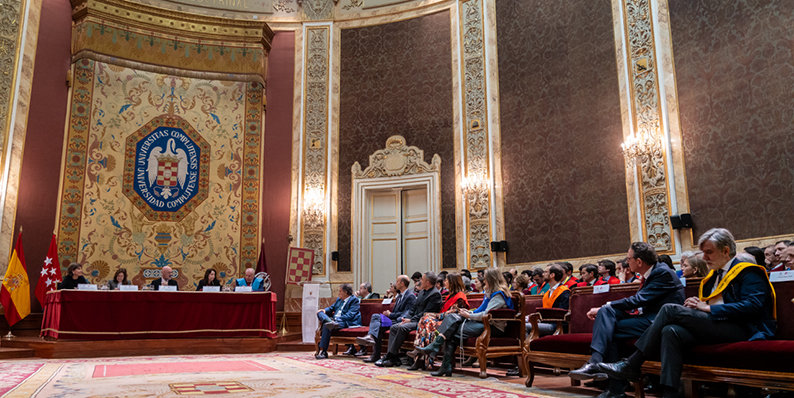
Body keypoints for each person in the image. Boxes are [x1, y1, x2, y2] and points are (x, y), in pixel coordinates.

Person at [596, 228, 776, 398]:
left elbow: (752, 307)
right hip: (717, 325)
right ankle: (669, 394)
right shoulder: (714, 275)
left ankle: (632, 364)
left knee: (668, 309)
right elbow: (713, 302)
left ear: (726, 251)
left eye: (708, 252)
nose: (704, 257)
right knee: (670, 331)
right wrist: (698, 305)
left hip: (744, 329)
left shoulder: (749, 272)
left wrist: (708, 308)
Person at [568, 242, 685, 398]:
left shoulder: (662, 273)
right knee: (606, 313)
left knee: (609, 329)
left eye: (628, 258)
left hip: (658, 322)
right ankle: (596, 364)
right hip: (645, 317)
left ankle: (613, 387)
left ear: (639, 262)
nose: (626, 262)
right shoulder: (651, 273)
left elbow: (639, 300)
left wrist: (606, 304)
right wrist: (605, 307)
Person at [416, 268, 513, 377]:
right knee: (452, 319)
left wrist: (469, 315)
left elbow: (486, 314)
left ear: (491, 280)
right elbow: (480, 310)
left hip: (493, 327)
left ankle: (442, 359)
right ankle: (442, 361)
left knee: (451, 332)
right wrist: (468, 312)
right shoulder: (490, 293)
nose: (484, 281)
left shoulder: (498, 295)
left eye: (485, 279)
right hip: (484, 324)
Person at [375, 271, 442, 368]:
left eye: (422, 279)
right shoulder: (422, 292)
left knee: (402, 327)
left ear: (427, 283)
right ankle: (393, 357)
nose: (420, 281)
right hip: (414, 319)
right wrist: (406, 318)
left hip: (423, 322)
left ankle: (390, 356)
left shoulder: (435, 294)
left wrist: (410, 320)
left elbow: (426, 313)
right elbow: (413, 309)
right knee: (394, 327)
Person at [407, 273, 469, 371]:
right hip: (444, 321)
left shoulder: (460, 296)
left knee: (426, 321)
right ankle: (421, 357)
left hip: (451, 324)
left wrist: (435, 315)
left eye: (446, 280)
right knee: (424, 319)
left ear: (452, 283)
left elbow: (454, 313)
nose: (444, 282)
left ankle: (421, 356)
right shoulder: (450, 296)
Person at [357, 275, 417, 362]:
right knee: (376, 321)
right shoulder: (400, 296)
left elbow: (406, 313)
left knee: (376, 321)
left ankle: (372, 339)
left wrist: (390, 314)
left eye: (397, 281)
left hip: (399, 321)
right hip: (393, 320)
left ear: (402, 283)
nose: (395, 283)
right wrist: (390, 314)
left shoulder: (410, 296)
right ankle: (375, 354)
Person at [315, 284, 362, 359]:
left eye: (340, 291)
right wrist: (324, 310)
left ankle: (324, 351)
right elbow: (331, 308)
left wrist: (337, 320)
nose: (338, 293)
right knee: (320, 312)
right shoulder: (339, 299)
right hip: (334, 321)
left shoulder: (354, 300)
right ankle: (329, 321)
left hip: (344, 321)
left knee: (327, 325)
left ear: (345, 292)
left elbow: (350, 315)